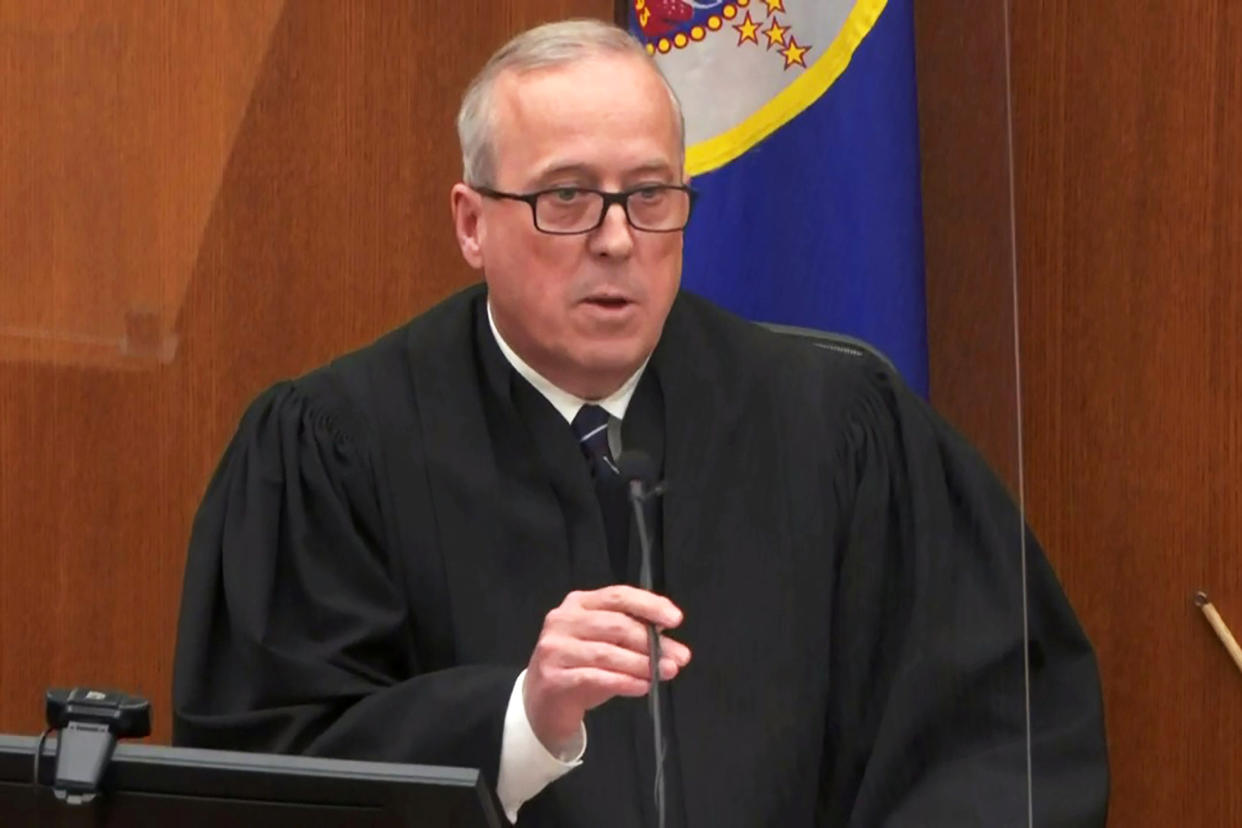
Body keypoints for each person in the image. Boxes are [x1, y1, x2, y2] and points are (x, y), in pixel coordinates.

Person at [172, 18, 1108, 828]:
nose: (617, 239)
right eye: (567, 197)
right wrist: (519, 723)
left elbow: (999, 730)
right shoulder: (335, 450)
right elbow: (272, 770)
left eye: (651, 195)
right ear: (471, 223)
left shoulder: (836, 427)